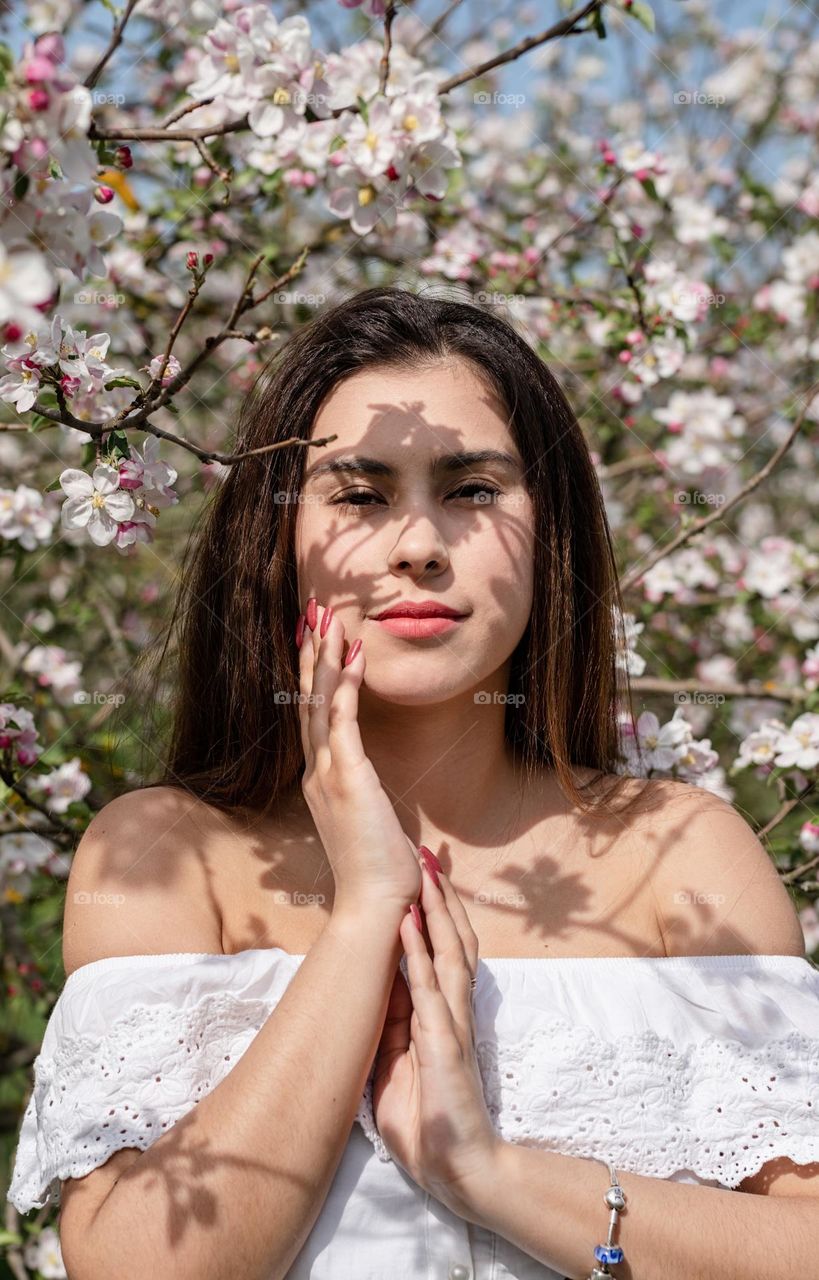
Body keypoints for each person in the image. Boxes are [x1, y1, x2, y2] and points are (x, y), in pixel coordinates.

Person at [7, 286, 819, 1280]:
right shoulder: (163, 856)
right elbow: (141, 1268)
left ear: (549, 526)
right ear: (276, 539)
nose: (422, 544)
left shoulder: (677, 854)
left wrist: (487, 1171)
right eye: (360, 493)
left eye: (473, 489)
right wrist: (363, 915)